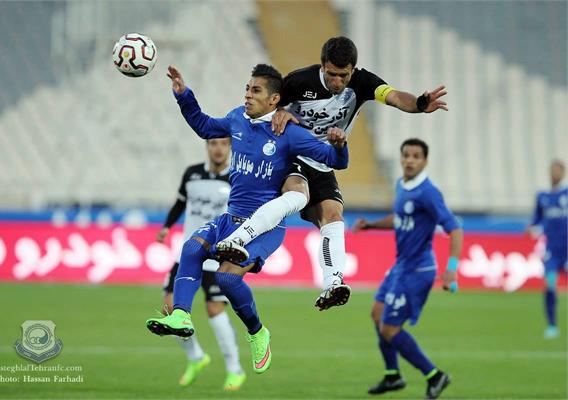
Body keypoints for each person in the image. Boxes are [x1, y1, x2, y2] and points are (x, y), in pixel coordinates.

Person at [215, 36, 448, 312]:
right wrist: (282, 113)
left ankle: (333, 283)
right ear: (322, 66)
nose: (338, 82)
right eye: (331, 74)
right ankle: (237, 240)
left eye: (343, 75)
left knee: (334, 216)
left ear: (353, 70)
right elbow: (266, 106)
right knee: (297, 194)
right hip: (291, 155)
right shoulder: (299, 82)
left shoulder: (364, 83)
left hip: (324, 162)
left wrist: (420, 104)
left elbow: (396, 97)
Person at [146, 63, 349, 374]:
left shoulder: (289, 134)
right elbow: (204, 126)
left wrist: (340, 145)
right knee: (190, 248)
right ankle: (181, 316)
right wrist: (183, 96)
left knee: (227, 278)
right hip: (230, 217)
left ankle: (257, 333)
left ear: (273, 99)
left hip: (264, 227)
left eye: (255, 91)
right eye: (246, 89)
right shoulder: (236, 119)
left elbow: (335, 161)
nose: (247, 95)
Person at [351, 138, 462, 399]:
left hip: (418, 270)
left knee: (390, 329)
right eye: (406, 155)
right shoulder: (401, 185)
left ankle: (435, 376)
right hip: (401, 266)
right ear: (401, 158)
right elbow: (400, 218)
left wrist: (452, 268)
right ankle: (393, 376)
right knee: (377, 315)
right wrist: (371, 226)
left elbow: (454, 228)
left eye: (416, 156)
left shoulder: (428, 192)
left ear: (425, 161)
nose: (410, 160)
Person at [156, 137, 246, 391]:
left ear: (230, 148)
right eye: (213, 143)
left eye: (223, 144)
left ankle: (235, 370)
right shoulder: (192, 174)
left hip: (218, 255)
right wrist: (166, 227)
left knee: (214, 310)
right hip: (189, 253)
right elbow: (180, 204)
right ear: (207, 147)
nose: (218, 148)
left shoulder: (238, 178)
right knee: (169, 307)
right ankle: (196, 356)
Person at [527, 160, 567, 339]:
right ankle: (552, 326)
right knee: (549, 284)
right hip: (552, 249)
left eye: (558, 170)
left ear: (563, 173)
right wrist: (531, 228)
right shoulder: (542, 196)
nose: (554, 173)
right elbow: (537, 219)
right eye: (552, 170)